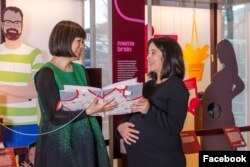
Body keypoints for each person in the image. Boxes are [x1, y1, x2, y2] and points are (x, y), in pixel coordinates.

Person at [34, 20, 117, 167]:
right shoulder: (46, 73)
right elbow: (53, 116)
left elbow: (86, 101)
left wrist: (100, 105)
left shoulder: (80, 70)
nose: (82, 46)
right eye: (78, 41)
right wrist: (88, 111)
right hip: (60, 144)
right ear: (64, 39)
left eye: (82, 41)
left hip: (85, 141)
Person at [117, 37, 189, 167]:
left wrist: (149, 110)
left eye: (153, 52)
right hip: (140, 160)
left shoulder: (177, 87)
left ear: (168, 56)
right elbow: (130, 114)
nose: (148, 57)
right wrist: (120, 127)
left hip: (164, 160)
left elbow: (175, 126)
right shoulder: (148, 85)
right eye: (148, 53)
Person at [0, 6, 43, 147]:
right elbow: (28, 93)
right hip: (2, 124)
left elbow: (34, 91)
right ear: (1, 24)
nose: (13, 26)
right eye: (8, 22)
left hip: (29, 124)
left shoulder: (34, 54)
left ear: (22, 26)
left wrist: (3, 88)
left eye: (17, 23)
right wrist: (23, 94)